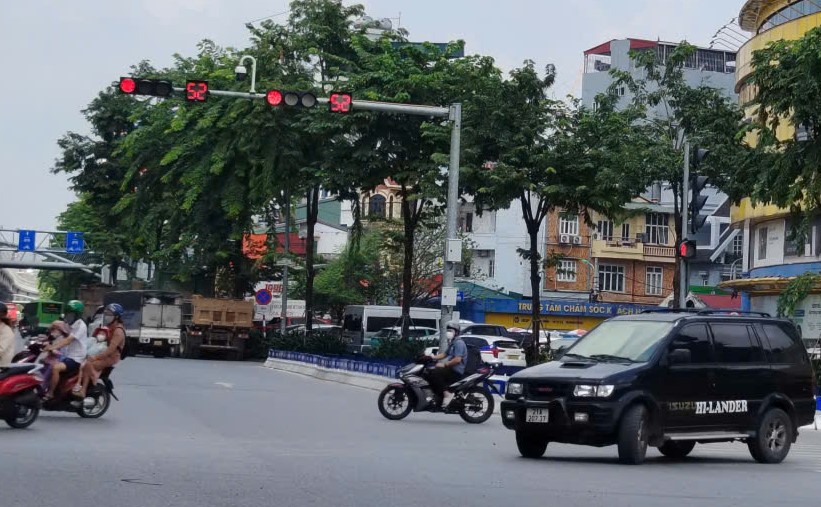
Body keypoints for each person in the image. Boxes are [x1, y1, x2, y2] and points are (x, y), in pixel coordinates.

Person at [73, 304, 125, 399]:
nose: (107, 316)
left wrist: (95, 357)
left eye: (110, 314)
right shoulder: (109, 327)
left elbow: (110, 350)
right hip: (103, 352)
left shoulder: (118, 331)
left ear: (117, 317)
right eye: (106, 314)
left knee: (88, 364)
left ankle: (83, 390)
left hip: (111, 358)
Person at [427, 321, 467, 409]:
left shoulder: (459, 343)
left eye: (451, 330)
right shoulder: (452, 342)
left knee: (435, 373)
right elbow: (444, 354)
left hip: (456, 370)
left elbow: (457, 360)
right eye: (448, 330)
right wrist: (432, 358)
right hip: (451, 368)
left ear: (456, 332)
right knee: (430, 371)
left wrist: (444, 365)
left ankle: (447, 394)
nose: (448, 332)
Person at [44, 320, 87, 399]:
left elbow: (68, 340)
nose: (68, 316)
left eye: (70, 313)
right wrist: (46, 339)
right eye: (67, 313)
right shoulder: (68, 323)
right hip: (66, 355)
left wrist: (52, 347)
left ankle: (50, 393)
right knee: (45, 362)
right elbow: (58, 333)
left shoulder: (81, 325)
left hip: (76, 358)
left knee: (56, 368)